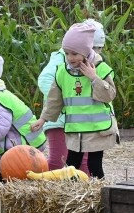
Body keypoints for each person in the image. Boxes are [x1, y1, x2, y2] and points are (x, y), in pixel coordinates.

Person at [30, 22, 118, 178]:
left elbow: (109, 95)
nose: (70, 58)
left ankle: (100, 194)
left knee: (94, 166)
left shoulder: (101, 68)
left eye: (75, 54)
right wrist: (43, 119)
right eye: (67, 53)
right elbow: (54, 100)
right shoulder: (62, 72)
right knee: (71, 165)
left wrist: (93, 78)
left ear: (86, 52)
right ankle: (70, 195)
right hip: (75, 130)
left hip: (97, 129)